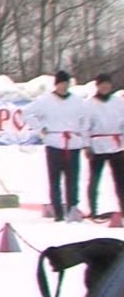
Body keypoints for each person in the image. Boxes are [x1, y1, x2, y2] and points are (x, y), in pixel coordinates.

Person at [24, 70, 88, 222]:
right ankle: (58, 211)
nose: (63, 86)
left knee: (72, 179)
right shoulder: (45, 100)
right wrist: (40, 129)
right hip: (54, 142)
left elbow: (85, 120)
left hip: (72, 143)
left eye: (66, 83)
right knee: (55, 180)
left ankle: (72, 208)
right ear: (56, 84)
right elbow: (27, 113)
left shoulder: (77, 101)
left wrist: (83, 140)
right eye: (61, 83)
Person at [84, 73, 124, 217]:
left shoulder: (118, 102)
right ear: (97, 86)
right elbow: (84, 126)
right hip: (97, 146)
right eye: (102, 84)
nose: (105, 87)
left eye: (107, 84)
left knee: (120, 180)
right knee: (94, 180)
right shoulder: (89, 104)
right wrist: (86, 145)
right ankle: (93, 210)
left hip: (116, 145)